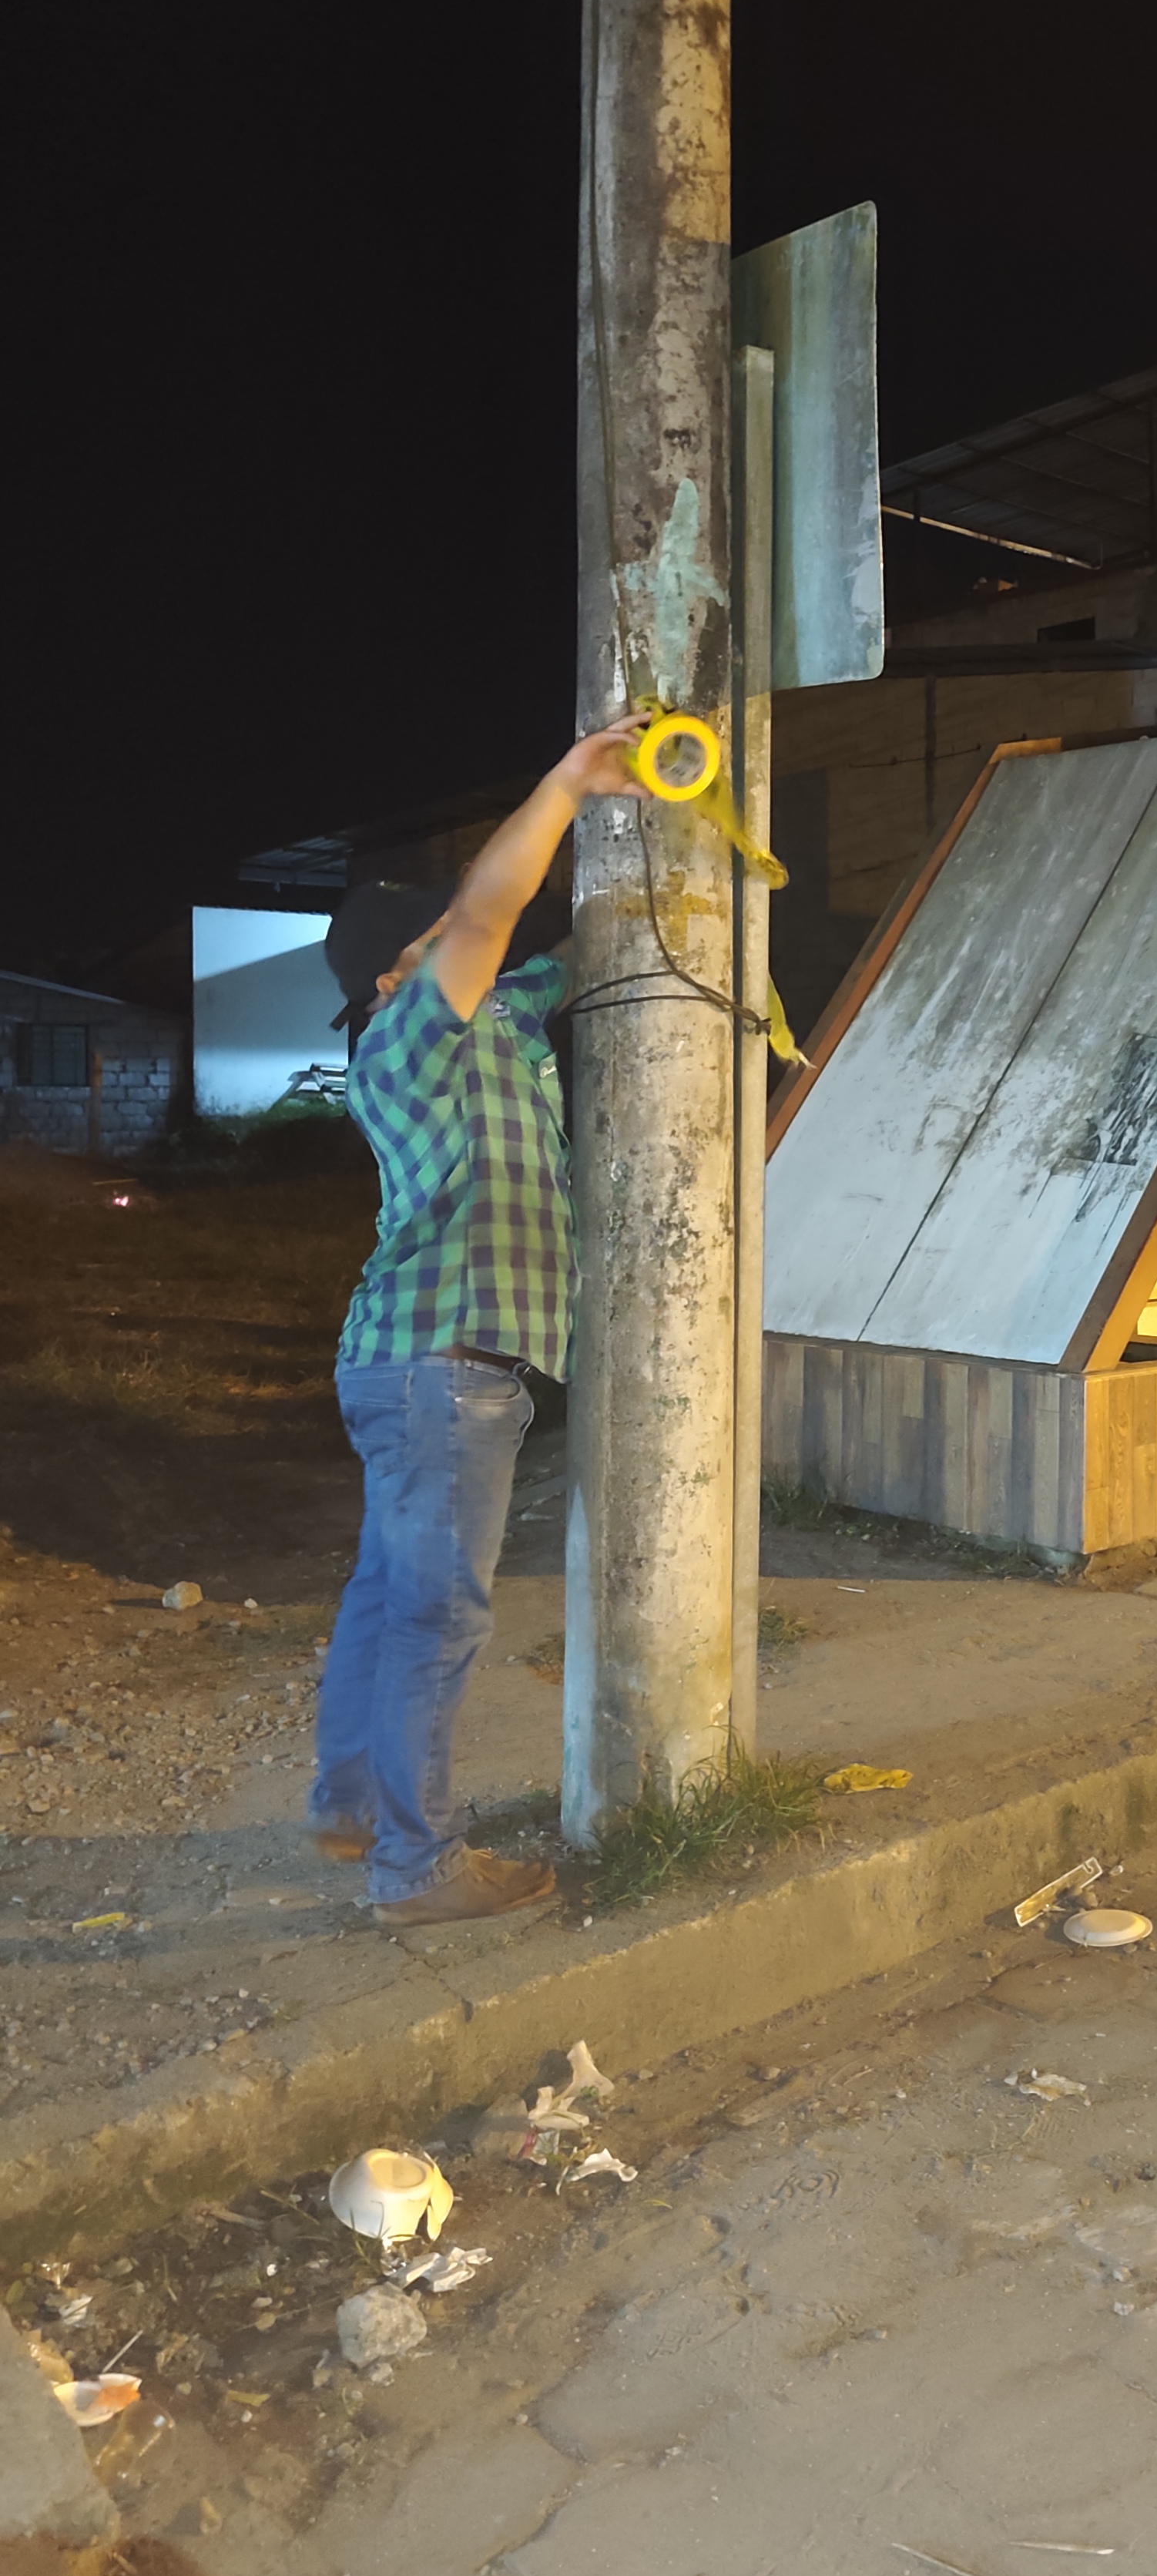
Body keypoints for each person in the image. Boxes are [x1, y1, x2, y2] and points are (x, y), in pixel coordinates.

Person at [310, 717, 649, 1925]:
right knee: (434, 1613)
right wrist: (566, 786)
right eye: (441, 939)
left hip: (423, 1370)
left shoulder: (498, 1025)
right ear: (390, 976)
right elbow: (490, 920)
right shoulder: (404, 1039)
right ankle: (417, 1866)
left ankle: (353, 1809)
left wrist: (677, 853)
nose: (473, 949)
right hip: (439, 1371)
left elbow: (578, 954)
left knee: (385, 1594)